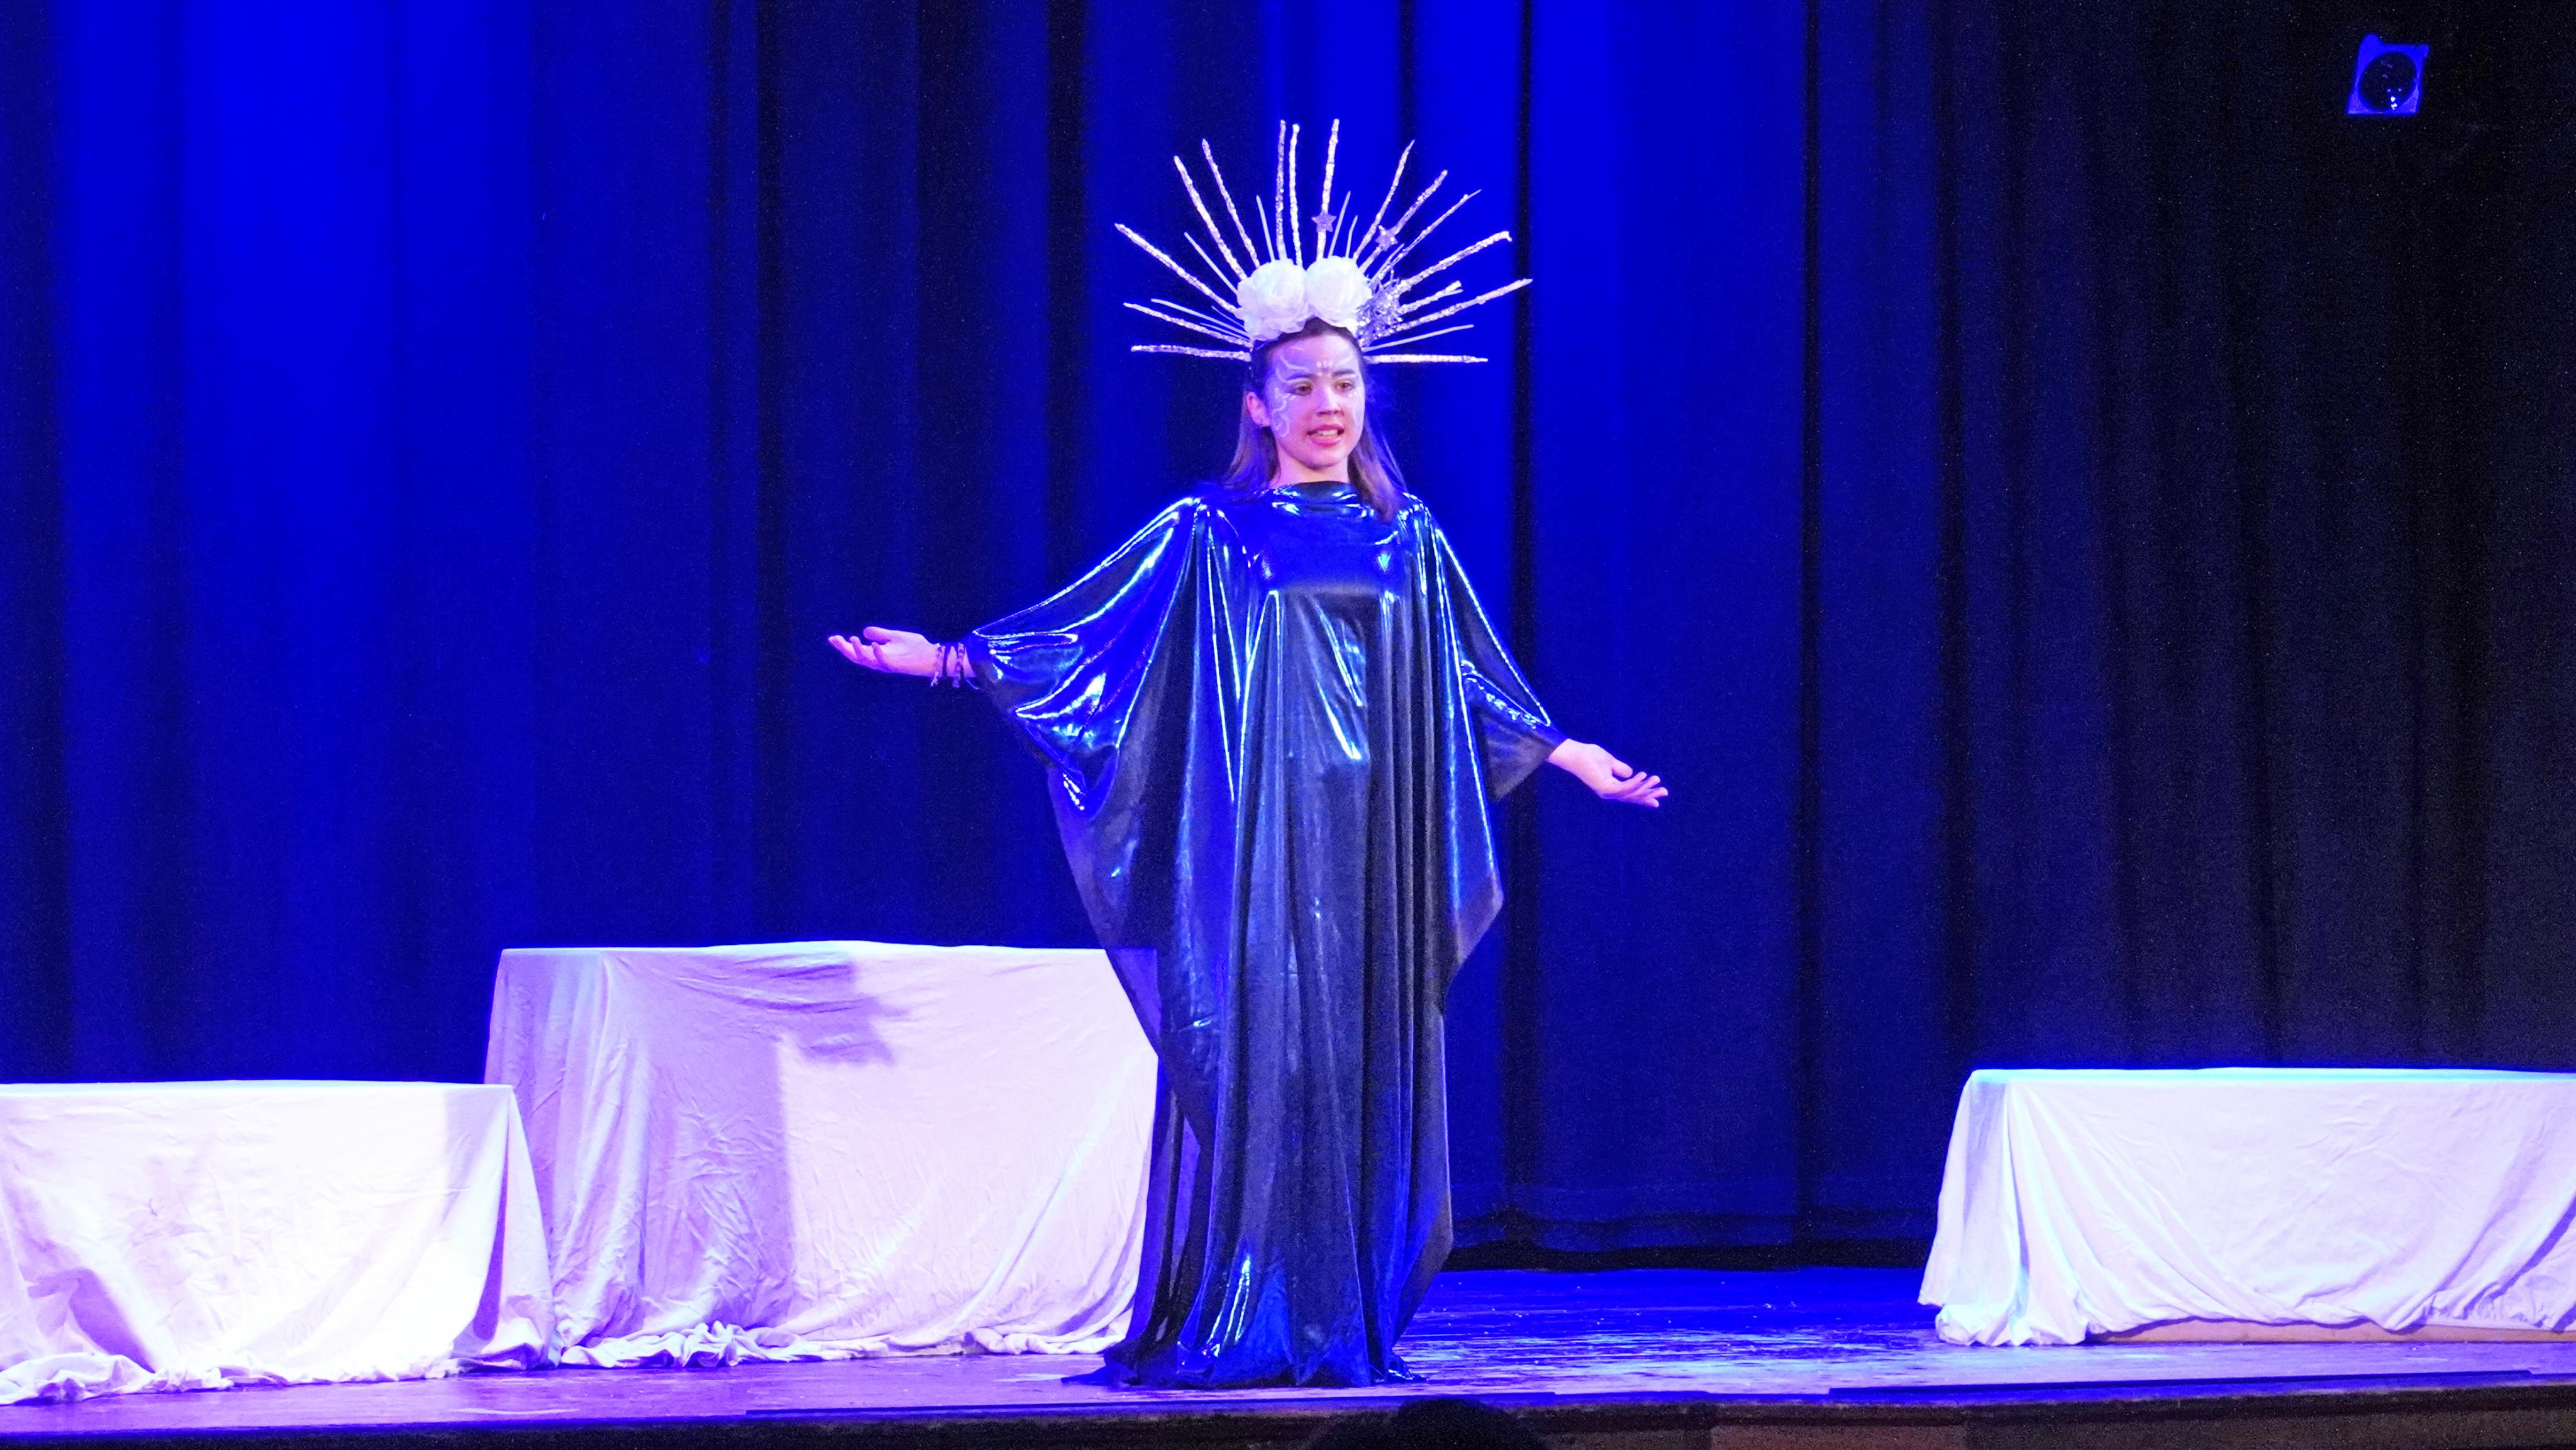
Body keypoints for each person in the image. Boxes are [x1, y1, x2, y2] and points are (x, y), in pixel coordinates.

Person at [829, 123, 1663, 1388]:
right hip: (1255, 853)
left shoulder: (1408, 536)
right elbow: (1094, 638)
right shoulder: (1209, 531)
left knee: (1363, 1069)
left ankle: (1339, 1312)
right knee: (1259, 1064)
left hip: (1373, 855)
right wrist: (946, 659)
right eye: (1303, 386)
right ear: (1257, 403)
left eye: (1345, 383)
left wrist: (1568, 753)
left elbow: (1468, 678)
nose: (1328, 406)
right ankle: (1255, 1300)